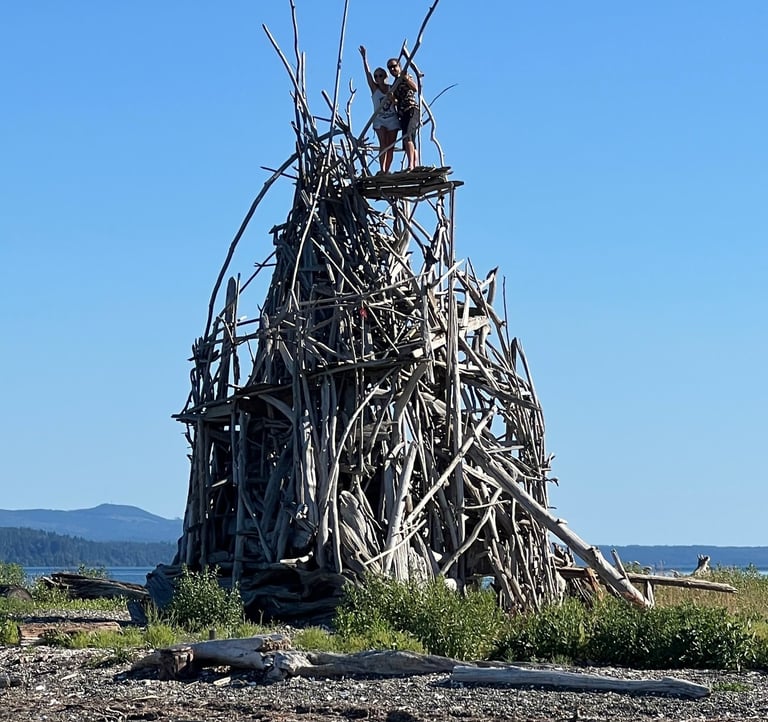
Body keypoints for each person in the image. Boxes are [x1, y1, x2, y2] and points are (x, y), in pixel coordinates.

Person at [359, 46, 400, 174]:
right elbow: (367, 74)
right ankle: (382, 169)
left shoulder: (392, 88)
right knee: (383, 142)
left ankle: (387, 170)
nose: (378, 78)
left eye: (380, 75)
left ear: (385, 76)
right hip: (379, 119)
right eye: (376, 76)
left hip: (392, 118)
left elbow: (397, 102)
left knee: (390, 146)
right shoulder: (374, 89)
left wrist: (392, 98)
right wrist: (364, 58)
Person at [387, 57, 420, 170]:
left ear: (399, 66)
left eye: (394, 66)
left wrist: (405, 78)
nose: (392, 69)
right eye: (390, 68)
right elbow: (396, 102)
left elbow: (415, 88)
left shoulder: (406, 75)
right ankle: (414, 164)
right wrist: (392, 98)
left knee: (408, 137)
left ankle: (412, 165)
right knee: (409, 139)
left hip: (411, 109)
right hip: (403, 112)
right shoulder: (394, 84)